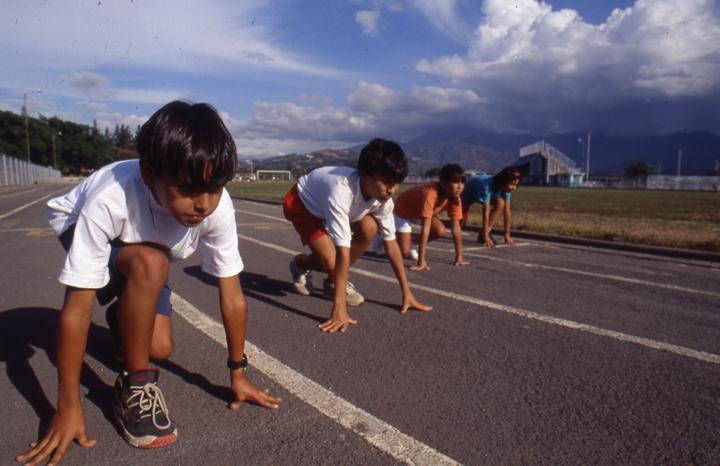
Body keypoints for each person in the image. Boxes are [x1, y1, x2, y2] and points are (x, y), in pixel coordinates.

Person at [16, 101, 281, 465]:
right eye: (186, 189)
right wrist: (67, 405)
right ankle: (136, 384)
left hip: (142, 251)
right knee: (151, 263)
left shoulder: (216, 205)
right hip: (79, 224)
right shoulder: (109, 200)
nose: (203, 204)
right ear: (148, 173)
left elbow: (232, 293)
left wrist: (239, 372)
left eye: (214, 188)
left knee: (160, 348)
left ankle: (123, 318)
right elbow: (77, 309)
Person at [283, 138, 432, 333]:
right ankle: (300, 264)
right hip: (303, 203)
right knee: (331, 261)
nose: (392, 190)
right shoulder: (340, 191)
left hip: (337, 205)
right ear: (364, 175)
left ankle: (332, 283)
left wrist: (407, 293)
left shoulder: (384, 200)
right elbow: (342, 252)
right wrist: (339, 307)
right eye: (387, 182)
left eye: (397, 183)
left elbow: (392, 245)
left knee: (370, 228)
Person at [386, 164, 468, 271]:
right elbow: (425, 229)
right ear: (443, 183)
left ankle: (409, 240)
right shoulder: (430, 193)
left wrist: (459, 256)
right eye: (456, 182)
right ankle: (385, 237)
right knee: (404, 252)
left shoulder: (455, 197)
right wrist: (421, 261)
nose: (460, 186)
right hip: (404, 210)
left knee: (440, 231)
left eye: (462, 182)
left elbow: (456, 227)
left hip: (421, 211)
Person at [461, 165, 522, 247]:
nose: (513, 188)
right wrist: (486, 238)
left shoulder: (506, 189)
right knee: (460, 224)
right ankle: (441, 223)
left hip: (480, 191)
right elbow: (485, 214)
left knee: (501, 203)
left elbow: (507, 212)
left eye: (516, 185)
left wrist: (507, 234)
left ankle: (483, 233)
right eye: (511, 184)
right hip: (467, 193)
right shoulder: (487, 186)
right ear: (503, 180)